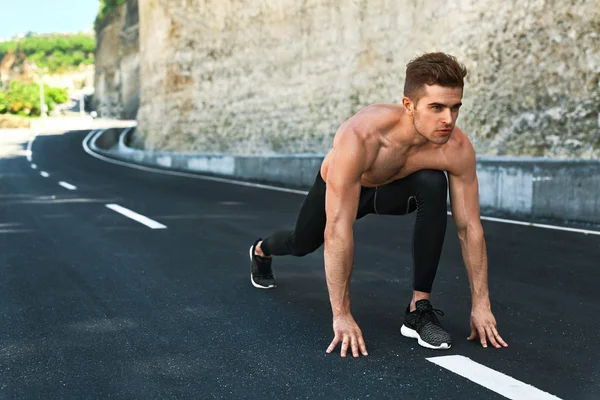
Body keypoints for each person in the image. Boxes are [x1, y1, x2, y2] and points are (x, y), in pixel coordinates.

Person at [248, 52, 508, 357]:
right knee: (301, 242)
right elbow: (337, 229)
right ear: (409, 105)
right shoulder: (362, 136)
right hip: (348, 189)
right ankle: (261, 250)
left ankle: (418, 308)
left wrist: (481, 305)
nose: (447, 120)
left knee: (433, 183)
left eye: (454, 108)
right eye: (436, 107)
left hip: (393, 193)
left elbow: (469, 228)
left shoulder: (456, 148)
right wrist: (341, 315)